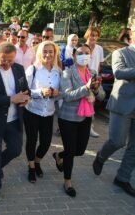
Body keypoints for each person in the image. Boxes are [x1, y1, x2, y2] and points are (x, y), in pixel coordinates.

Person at [0, 42, 30, 203]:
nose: (7, 64)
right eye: (3, 60)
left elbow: (25, 89)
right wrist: (10, 99)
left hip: (14, 120)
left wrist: (25, 99)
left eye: (10, 60)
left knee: (15, 150)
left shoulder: (19, 68)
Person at [52, 44, 104, 197]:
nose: (84, 55)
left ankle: (59, 156)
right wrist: (87, 87)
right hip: (68, 118)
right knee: (70, 150)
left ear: (91, 55)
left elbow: (101, 96)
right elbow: (67, 96)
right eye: (80, 53)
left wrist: (95, 89)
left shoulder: (93, 73)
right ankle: (67, 181)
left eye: (87, 53)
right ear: (74, 56)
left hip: (86, 117)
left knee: (79, 150)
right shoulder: (67, 73)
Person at [92, 36, 135, 197]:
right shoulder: (121, 52)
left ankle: (122, 178)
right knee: (118, 141)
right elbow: (118, 71)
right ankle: (101, 156)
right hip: (122, 104)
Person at [24, 41, 61, 183]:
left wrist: (57, 93)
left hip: (49, 113)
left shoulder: (58, 72)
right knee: (32, 140)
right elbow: (25, 91)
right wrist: (40, 92)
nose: (48, 54)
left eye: (51, 51)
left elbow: (61, 95)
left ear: (55, 53)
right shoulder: (33, 69)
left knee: (46, 142)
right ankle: (31, 167)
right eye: (45, 51)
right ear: (40, 52)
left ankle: (37, 161)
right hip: (32, 111)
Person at [85, 27, 104, 138]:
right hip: (84, 77)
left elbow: (98, 65)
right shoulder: (83, 47)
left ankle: (90, 126)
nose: (93, 37)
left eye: (96, 35)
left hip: (94, 78)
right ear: (87, 35)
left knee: (92, 102)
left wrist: (97, 76)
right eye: (91, 35)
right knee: (85, 102)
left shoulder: (99, 49)